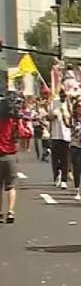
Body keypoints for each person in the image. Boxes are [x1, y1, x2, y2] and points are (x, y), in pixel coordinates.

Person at [0, 91, 19, 223]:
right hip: (10, 154)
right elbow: (23, 134)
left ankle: (0, 212)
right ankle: (11, 211)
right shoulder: (13, 121)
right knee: (11, 186)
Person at [48, 89, 71, 189]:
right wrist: (54, 116)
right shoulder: (54, 102)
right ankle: (56, 175)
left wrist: (66, 115)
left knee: (65, 158)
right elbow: (49, 117)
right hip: (55, 134)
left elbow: (72, 118)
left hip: (66, 135)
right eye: (62, 95)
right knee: (55, 158)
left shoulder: (69, 104)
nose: (63, 97)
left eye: (65, 96)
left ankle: (64, 180)